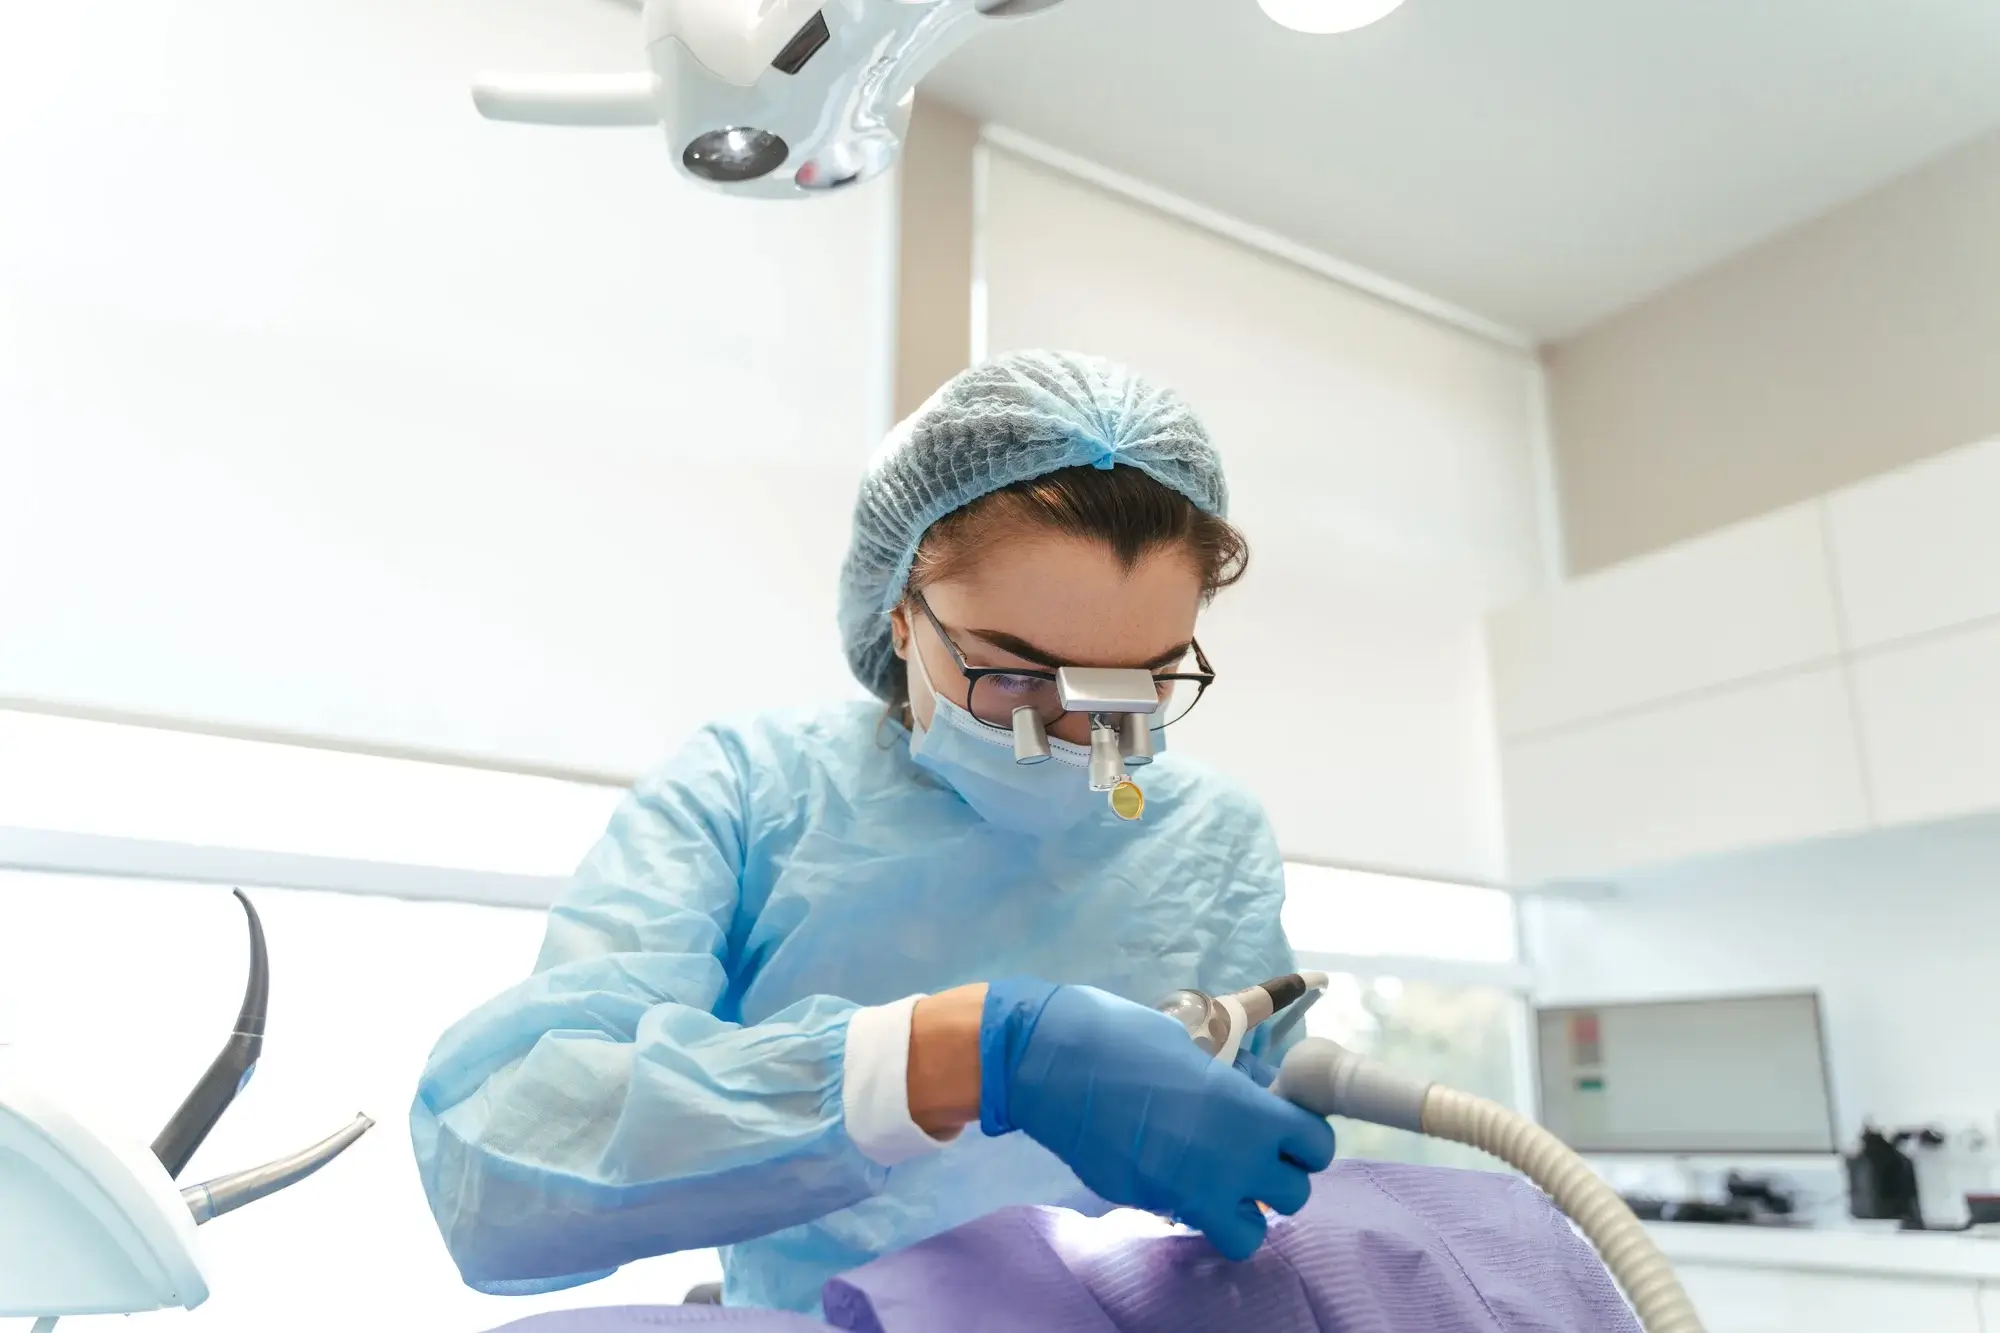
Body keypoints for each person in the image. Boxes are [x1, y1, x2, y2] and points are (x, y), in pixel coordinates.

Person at [410, 350, 1336, 1314]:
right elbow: (508, 1157)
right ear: (901, 616)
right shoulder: (753, 790)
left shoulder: (1213, 835)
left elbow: (1251, 1163)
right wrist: (961, 1054)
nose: (1079, 741)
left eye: (1135, 689)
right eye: (1015, 679)